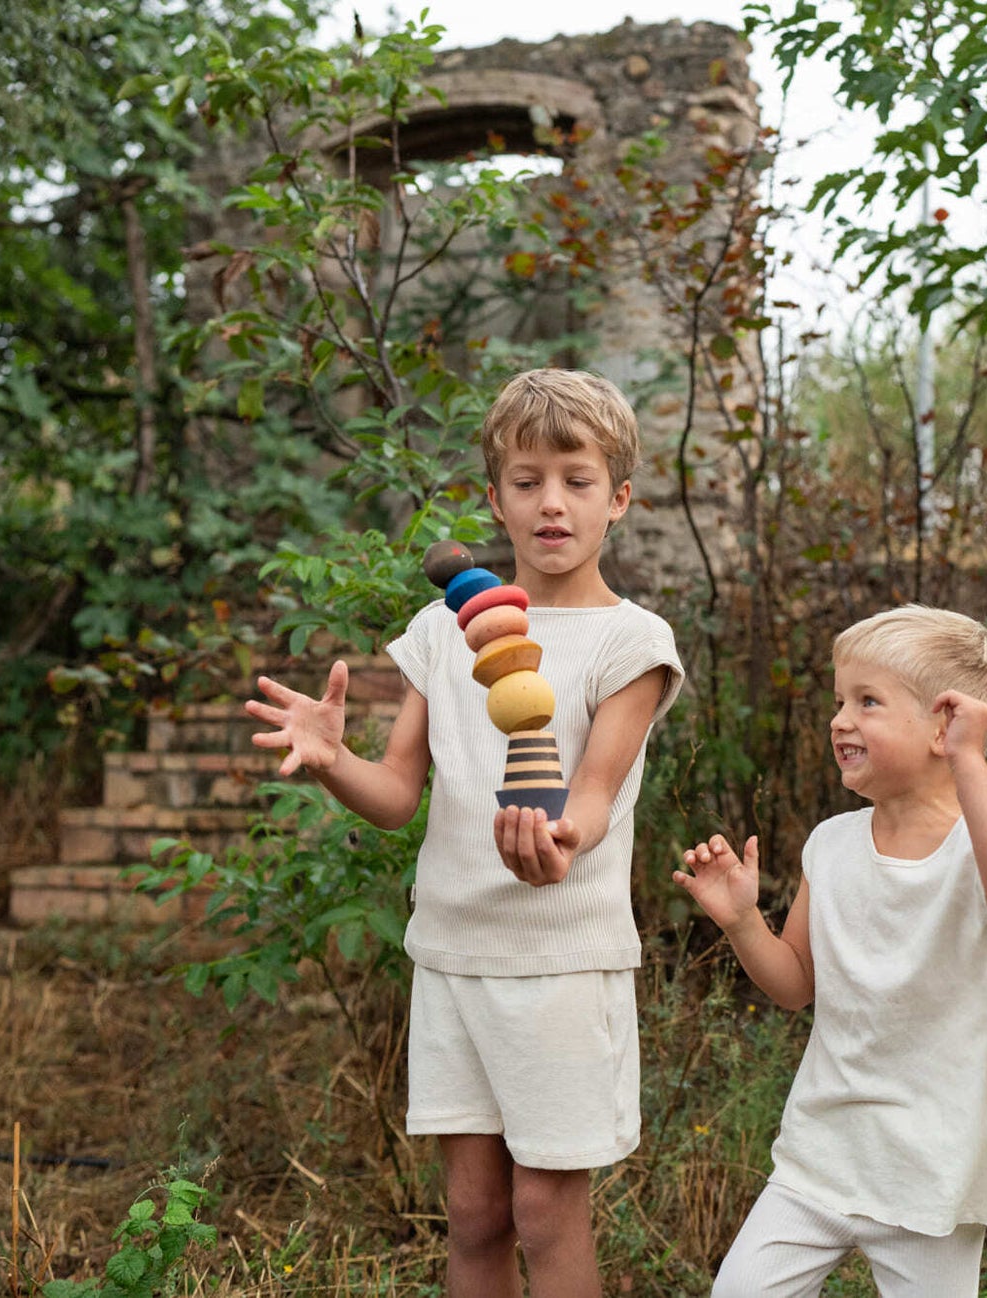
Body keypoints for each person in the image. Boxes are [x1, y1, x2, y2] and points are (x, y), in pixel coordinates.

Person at [246, 369, 683, 1298]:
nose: (552, 503)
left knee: (546, 1214)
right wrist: (333, 760)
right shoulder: (444, 631)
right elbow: (396, 795)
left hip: (562, 961)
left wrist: (560, 842)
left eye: (577, 480)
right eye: (527, 482)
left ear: (619, 499)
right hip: (451, 952)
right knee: (477, 1215)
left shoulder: (632, 641)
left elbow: (593, 794)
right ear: (495, 499)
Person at [674, 605, 987, 1298]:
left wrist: (970, 759)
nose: (840, 720)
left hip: (932, 1168)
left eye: (867, 702)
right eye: (839, 701)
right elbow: (796, 985)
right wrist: (742, 921)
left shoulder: (981, 849)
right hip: (824, 1149)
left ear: (943, 728)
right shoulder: (831, 844)